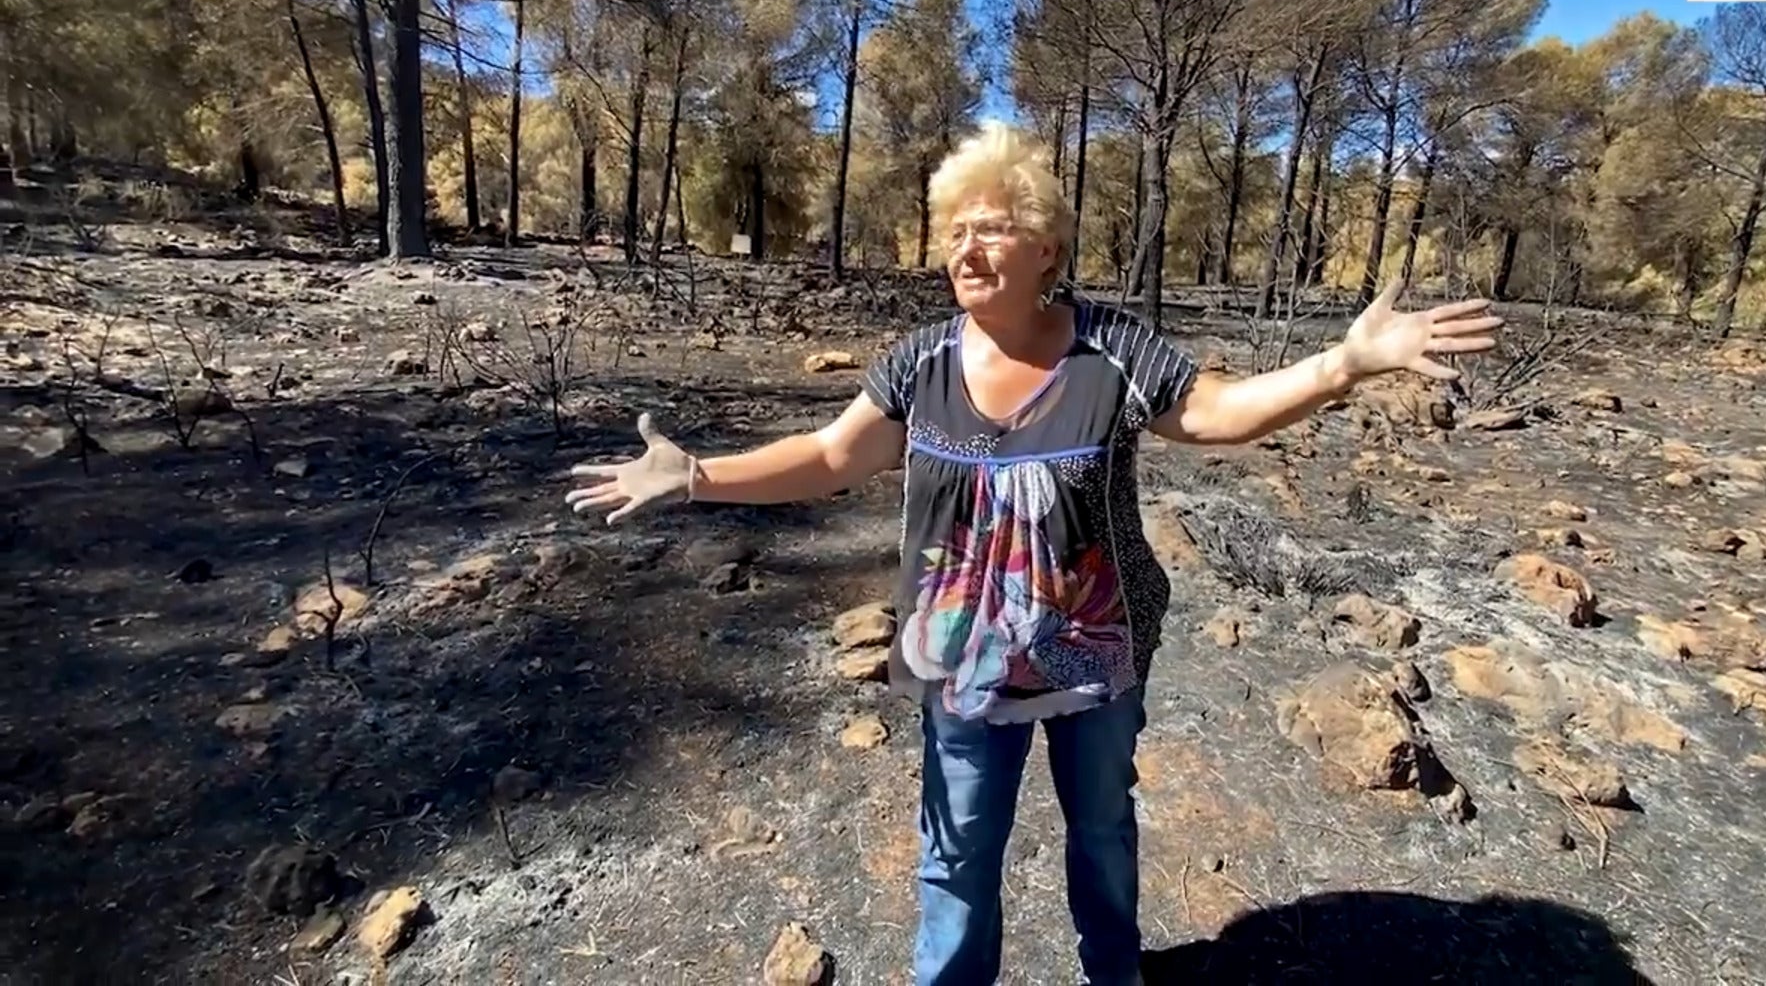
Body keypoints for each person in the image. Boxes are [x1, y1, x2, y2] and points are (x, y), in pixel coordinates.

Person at [564, 121, 1503, 986]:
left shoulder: (1113, 349)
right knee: (959, 849)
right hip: (964, 661)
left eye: (995, 228)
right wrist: (699, 475)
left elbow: (1216, 413)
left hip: (1097, 657)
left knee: (1100, 830)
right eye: (955, 230)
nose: (967, 248)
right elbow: (827, 457)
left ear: (1046, 248)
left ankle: (1114, 971)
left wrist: (1341, 365)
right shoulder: (918, 365)